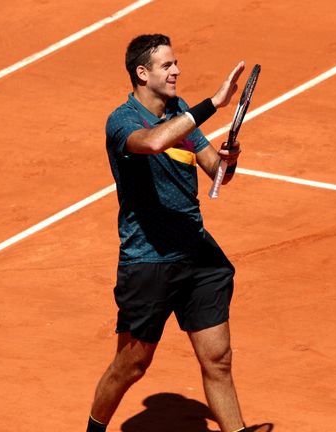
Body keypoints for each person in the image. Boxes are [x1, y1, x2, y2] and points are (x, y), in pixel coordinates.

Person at [86, 34, 267, 432]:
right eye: (167, 66)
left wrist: (228, 160)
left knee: (218, 360)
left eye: (175, 64)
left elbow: (216, 172)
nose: (176, 71)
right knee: (131, 366)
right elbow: (152, 143)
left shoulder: (180, 112)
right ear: (142, 72)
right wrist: (213, 105)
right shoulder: (124, 121)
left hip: (196, 254)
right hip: (148, 261)